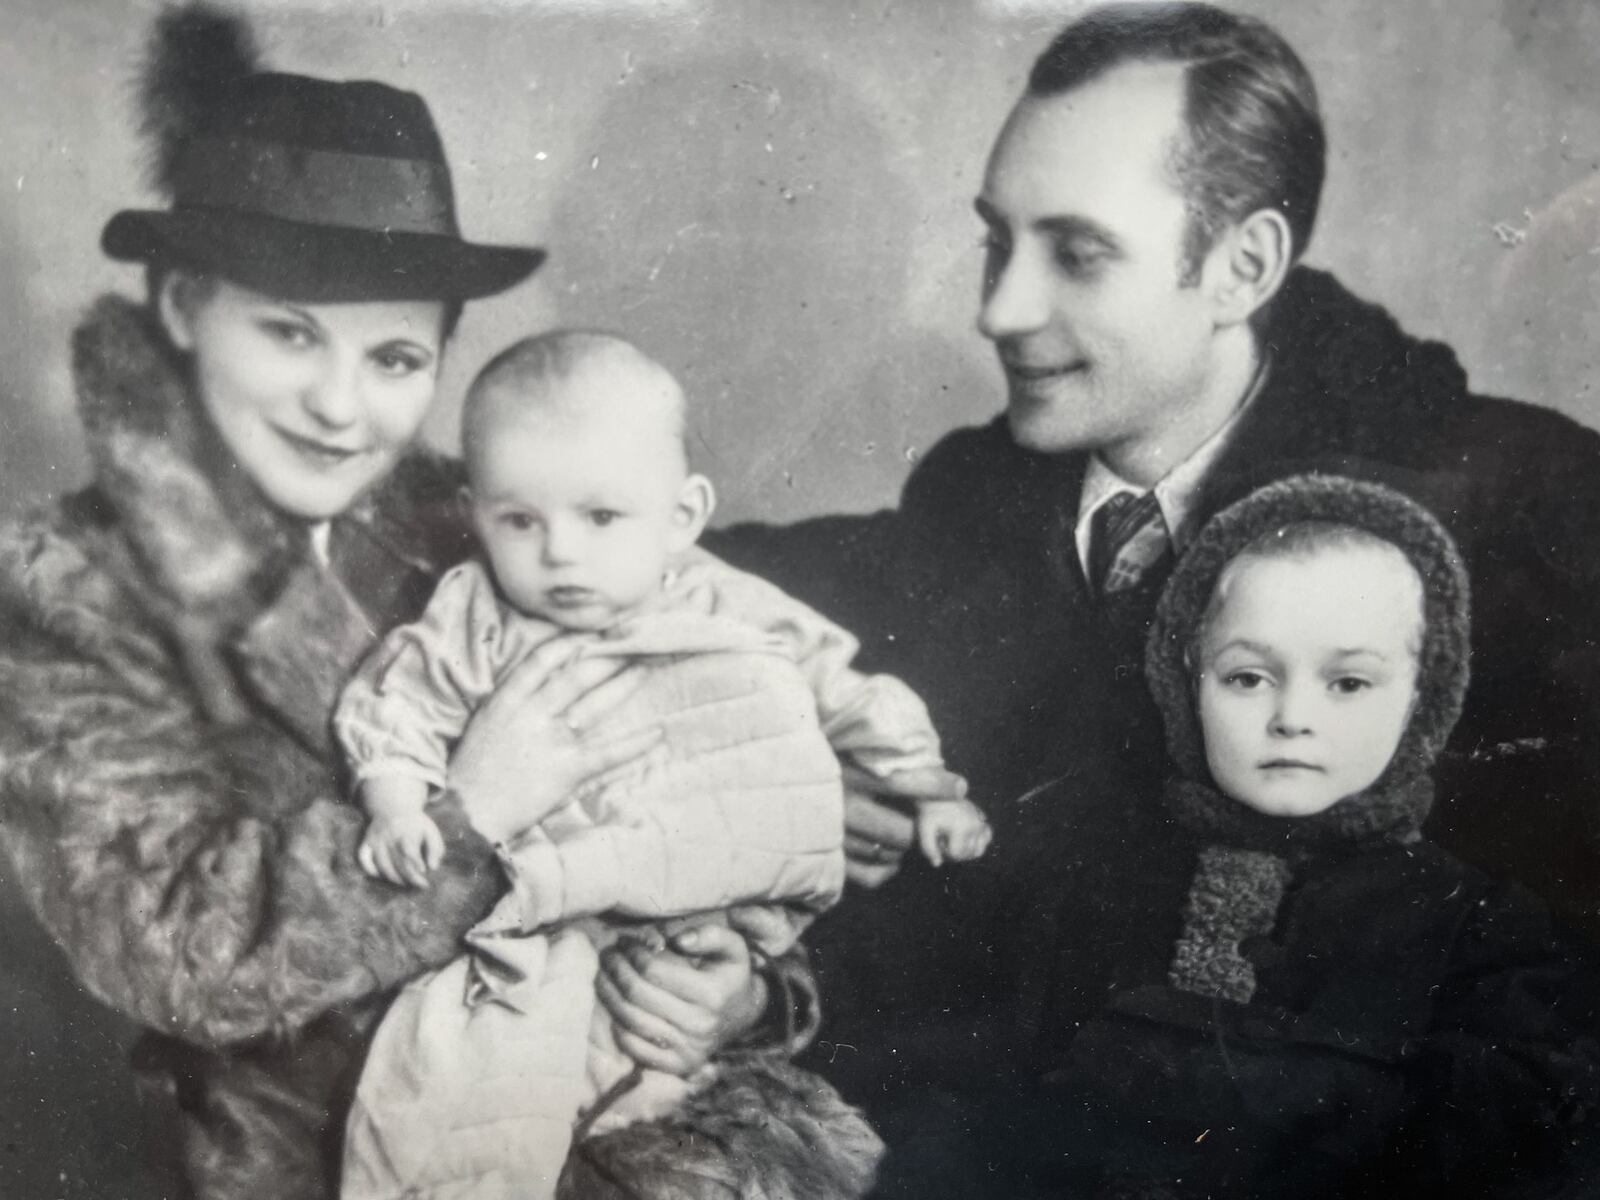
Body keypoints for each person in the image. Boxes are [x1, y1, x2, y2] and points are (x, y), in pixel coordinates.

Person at [0, 8, 880, 1200]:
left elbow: (696, 749)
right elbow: (174, 950)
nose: (339, 406)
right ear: (180, 308)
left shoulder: (486, 519)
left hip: (587, 1099)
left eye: (395, 361)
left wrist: (731, 983)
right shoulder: (69, 596)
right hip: (286, 1154)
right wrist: (465, 820)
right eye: (289, 334)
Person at [710, 0, 1600, 1161]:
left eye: (1076, 253)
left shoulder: (1512, 520)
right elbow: (705, 579)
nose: (998, 310)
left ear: (1243, 264)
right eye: (997, 240)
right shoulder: (977, 501)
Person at [333, 330, 982, 1200]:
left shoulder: (730, 601)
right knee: (475, 1083)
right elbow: (397, 703)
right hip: (554, 911)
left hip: (714, 901)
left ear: (682, 515)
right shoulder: (479, 611)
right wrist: (398, 806)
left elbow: (849, 690)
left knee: (712, 1096)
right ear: (476, 510)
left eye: (601, 517)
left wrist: (927, 789)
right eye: (519, 520)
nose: (559, 552)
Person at [990, 474, 1600, 1197]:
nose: (1292, 717)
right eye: (1248, 678)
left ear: (1423, 697)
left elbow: (1519, 1141)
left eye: (1347, 684)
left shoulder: (1480, 925)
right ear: (1186, 683)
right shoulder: (1092, 888)